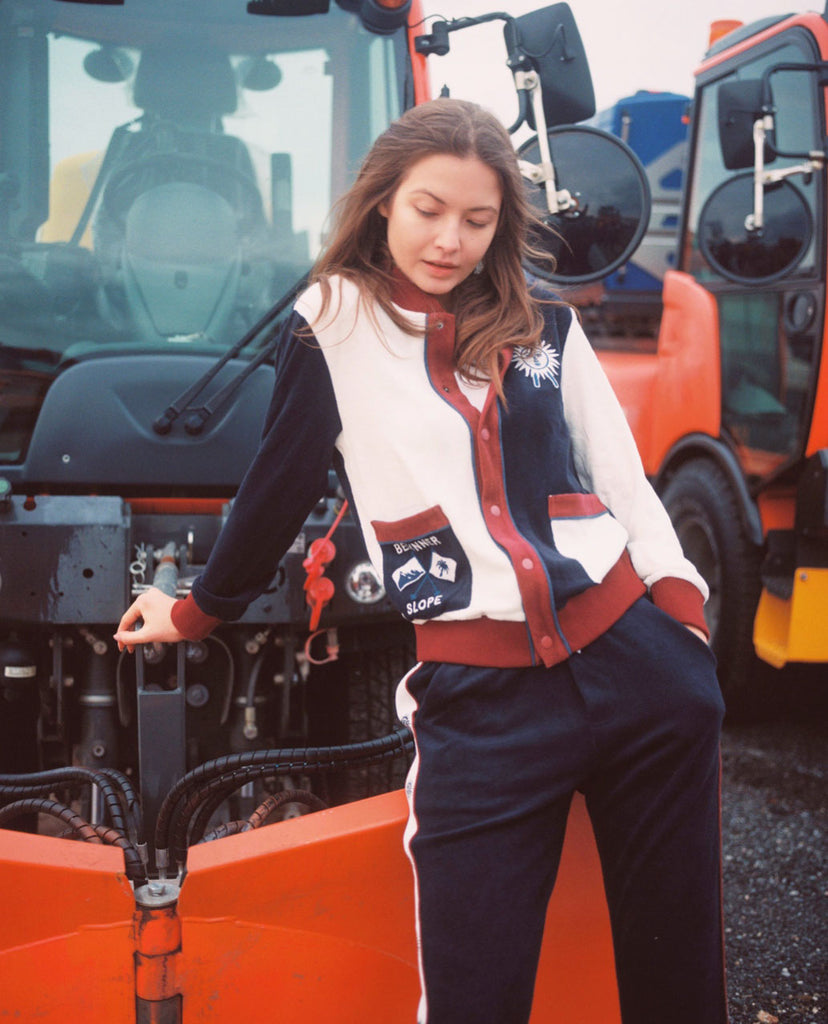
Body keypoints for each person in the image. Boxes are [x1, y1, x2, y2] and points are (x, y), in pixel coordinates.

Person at [115, 98, 728, 1024]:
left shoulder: (545, 327)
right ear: (382, 205)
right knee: (473, 996)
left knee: (677, 981)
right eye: (428, 210)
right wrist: (196, 610)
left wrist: (682, 620)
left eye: (478, 221)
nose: (450, 239)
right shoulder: (334, 323)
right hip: (481, 708)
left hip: (638, 670)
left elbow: (623, 481)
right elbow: (276, 487)